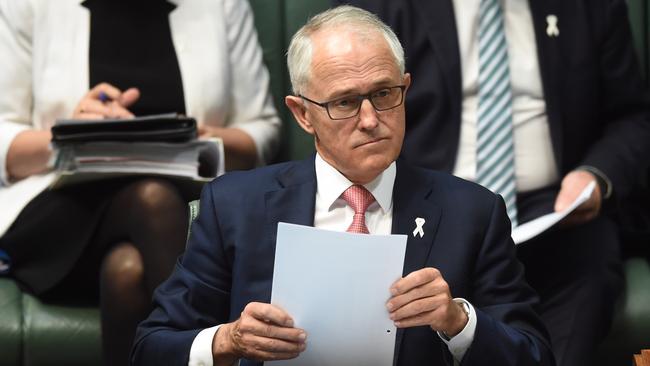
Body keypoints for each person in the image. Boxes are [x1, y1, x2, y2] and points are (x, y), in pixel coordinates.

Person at [131, 6, 555, 366]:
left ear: (405, 88)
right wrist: (230, 340)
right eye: (345, 102)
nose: (371, 120)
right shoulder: (235, 206)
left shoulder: (472, 212)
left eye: (385, 93)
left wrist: (458, 322)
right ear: (302, 114)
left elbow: (535, 354)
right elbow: (151, 347)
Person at [334, 0, 650, 365]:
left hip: (555, 211)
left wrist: (595, 174)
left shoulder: (588, 7)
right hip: (430, 203)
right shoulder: (385, 6)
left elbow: (632, 116)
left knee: (591, 267)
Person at [0, 0, 280, 365]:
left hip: (189, 202)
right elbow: (4, 137)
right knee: (152, 200)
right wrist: (69, 135)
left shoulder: (222, 5)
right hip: (63, 213)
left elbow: (263, 130)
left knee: (126, 270)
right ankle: (219, 349)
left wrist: (200, 138)